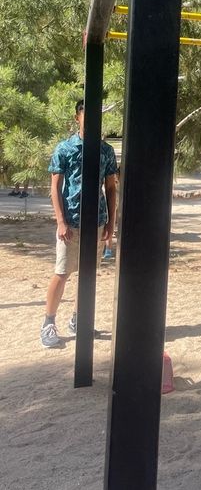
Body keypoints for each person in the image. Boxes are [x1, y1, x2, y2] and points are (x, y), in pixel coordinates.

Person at [40, 100, 118, 348]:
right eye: (86, 115)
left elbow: (111, 188)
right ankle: (49, 323)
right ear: (77, 118)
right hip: (71, 222)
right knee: (62, 272)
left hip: (96, 221)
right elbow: (55, 187)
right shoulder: (65, 148)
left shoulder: (106, 151)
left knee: (88, 275)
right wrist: (60, 221)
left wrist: (110, 224)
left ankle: (79, 320)